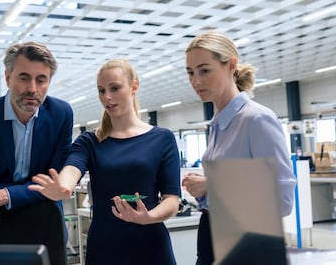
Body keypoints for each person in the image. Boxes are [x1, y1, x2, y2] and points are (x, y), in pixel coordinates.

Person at [29, 58, 181, 265]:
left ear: (133, 87)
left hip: (151, 244)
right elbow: (72, 168)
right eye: (101, 90)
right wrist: (62, 186)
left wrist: (148, 217)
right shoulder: (90, 141)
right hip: (106, 246)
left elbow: (172, 200)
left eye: (115, 88)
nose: (107, 97)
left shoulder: (162, 138)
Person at [181, 30, 296, 265]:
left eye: (205, 70)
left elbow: (282, 200)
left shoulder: (256, 119)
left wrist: (212, 185)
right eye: (191, 73)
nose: (196, 81)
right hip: (210, 232)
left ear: (231, 65)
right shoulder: (218, 122)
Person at [0, 41, 73, 265]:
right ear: (7, 78)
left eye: (41, 79)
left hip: (45, 221)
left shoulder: (61, 114)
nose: (32, 88)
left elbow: (53, 184)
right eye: (23, 77)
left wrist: (4, 195)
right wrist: (29, 191)